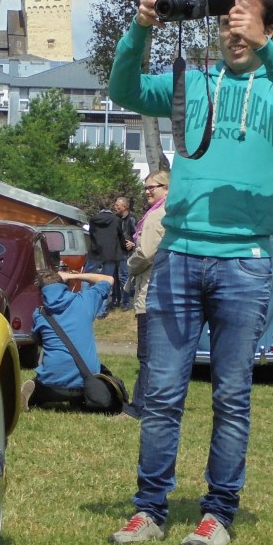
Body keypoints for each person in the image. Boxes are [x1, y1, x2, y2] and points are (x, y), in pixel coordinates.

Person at [106, 0, 273, 545]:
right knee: (163, 391)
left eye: (248, 20)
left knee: (231, 393)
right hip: (178, 254)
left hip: (244, 263)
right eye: (227, 19)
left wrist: (269, 51)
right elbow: (123, 86)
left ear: (268, 29)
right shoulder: (196, 82)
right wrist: (140, 28)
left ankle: (218, 513)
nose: (235, 29)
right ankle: (149, 509)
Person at [26, 270, 118, 411]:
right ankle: (81, 400)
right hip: (85, 383)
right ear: (65, 286)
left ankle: (32, 396)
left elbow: (38, 340)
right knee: (102, 372)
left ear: (42, 293)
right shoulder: (85, 301)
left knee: (40, 384)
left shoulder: (39, 314)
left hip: (52, 385)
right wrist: (74, 276)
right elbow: (108, 279)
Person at [122, 170, 170, 419]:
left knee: (147, 354)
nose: (148, 191)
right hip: (163, 290)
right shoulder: (170, 213)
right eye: (146, 187)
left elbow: (146, 253)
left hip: (149, 291)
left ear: (166, 188)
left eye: (153, 187)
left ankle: (139, 407)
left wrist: (129, 265)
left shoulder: (154, 218)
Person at [86, 200, 123, 318]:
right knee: (106, 281)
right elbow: (120, 235)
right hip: (111, 254)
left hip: (96, 252)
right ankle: (101, 311)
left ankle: (86, 305)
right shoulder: (116, 220)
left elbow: (91, 235)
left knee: (86, 277)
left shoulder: (93, 219)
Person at [114, 196, 138, 310]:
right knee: (117, 277)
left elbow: (138, 233)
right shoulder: (116, 218)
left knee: (125, 277)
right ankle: (117, 300)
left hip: (127, 252)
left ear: (124, 207)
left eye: (117, 205)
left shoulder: (132, 218)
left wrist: (133, 243)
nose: (115, 207)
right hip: (117, 251)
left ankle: (126, 303)